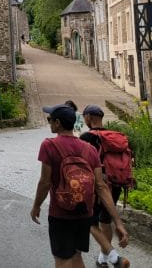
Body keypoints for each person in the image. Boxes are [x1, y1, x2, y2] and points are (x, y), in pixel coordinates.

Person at [30, 104, 129, 268]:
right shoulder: (89, 150)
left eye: (50, 120)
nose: (49, 123)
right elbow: (101, 187)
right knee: (76, 257)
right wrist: (118, 222)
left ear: (58, 123)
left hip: (60, 214)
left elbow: (45, 182)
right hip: (84, 214)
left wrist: (36, 206)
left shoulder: (48, 145)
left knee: (62, 260)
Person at [80, 104, 132, 268]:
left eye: (84, 117)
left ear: (89, 117)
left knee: (91, 223)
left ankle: (114, 257)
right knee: (105, 220)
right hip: (116, 183)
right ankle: (103, 259)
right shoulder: (116, 136)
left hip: (98, 187)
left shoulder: (88, 137)